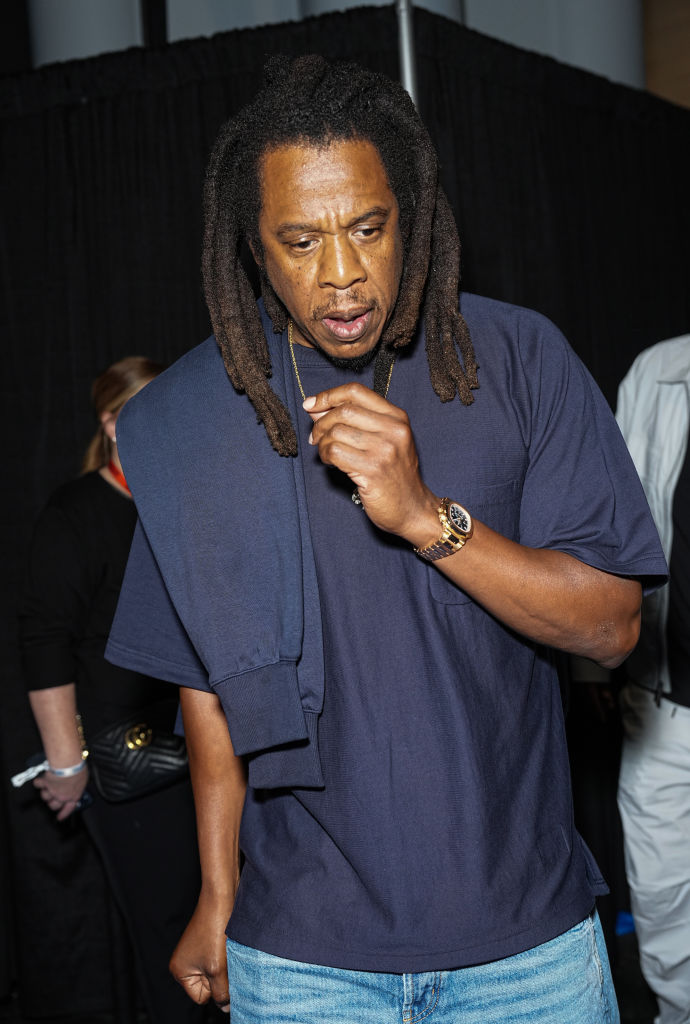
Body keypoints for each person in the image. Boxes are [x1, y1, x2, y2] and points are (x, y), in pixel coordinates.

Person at [105, 56, 667, 1023]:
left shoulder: (519, 359)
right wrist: (218, 891)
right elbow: (209, 686)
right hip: (301, 959)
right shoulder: (195, 421)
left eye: (369, 227)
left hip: (526, 948)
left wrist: (424, 517)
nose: (341, 273)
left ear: (412, 213)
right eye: (300, 240)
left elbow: (612, 626)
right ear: (253, 246)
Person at [19, 357, 209, 1024]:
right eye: (147, 410)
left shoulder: (187, 499)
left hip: (211, 748)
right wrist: (66, 764)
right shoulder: (76, 512)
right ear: (110, 423)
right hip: (133, 765)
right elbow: (44, 640)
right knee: (170, 936)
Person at [615, 335, 690, 1024]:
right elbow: (610, 519)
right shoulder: (660, 372)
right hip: (662, 703)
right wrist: (595, 666)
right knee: (662, 898)